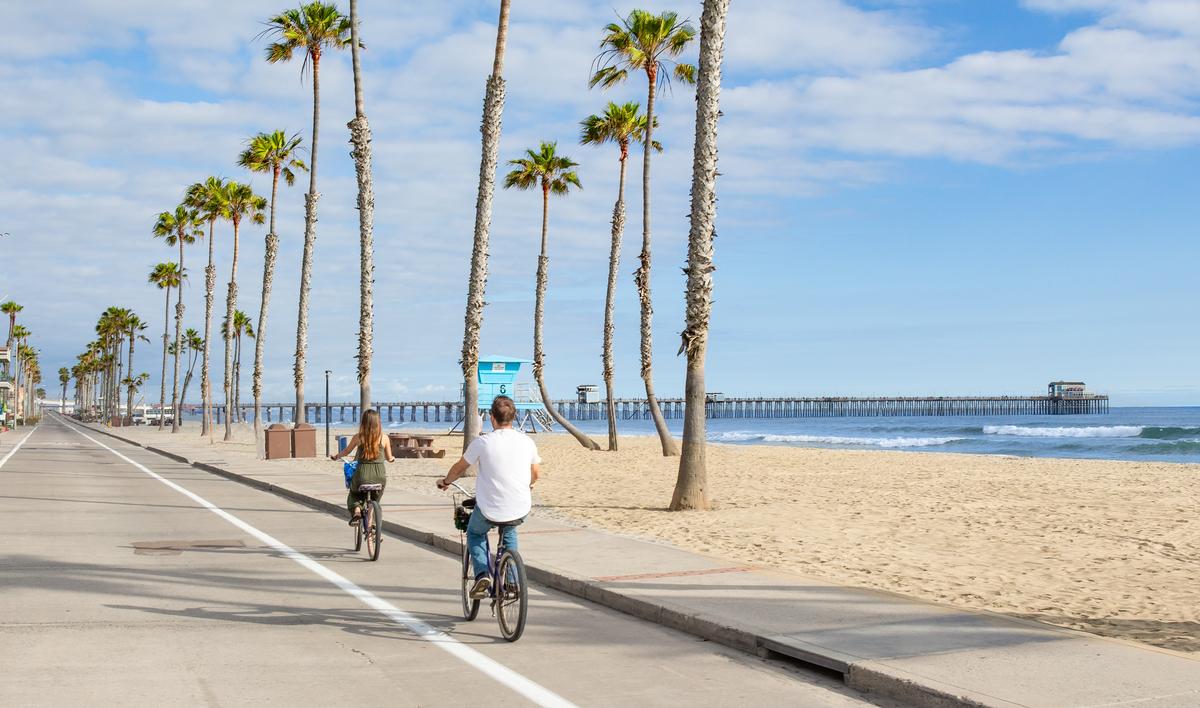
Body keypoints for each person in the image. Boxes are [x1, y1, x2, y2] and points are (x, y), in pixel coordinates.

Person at [438, 396, 540, 598]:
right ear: (514, 417)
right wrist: (529, 484)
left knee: (474, 533)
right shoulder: (527, 442)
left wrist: (446, 481)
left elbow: (459, 468)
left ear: (492, 418)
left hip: (489, 509)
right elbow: (536, 473)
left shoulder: (482, 442)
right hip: (520, 507)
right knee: (509, 532)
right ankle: (511, 583)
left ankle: (482, 574)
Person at [331, 409, 394, 525]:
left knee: (354, 493)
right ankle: (372, 523)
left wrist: (336, 456)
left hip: (361, 474)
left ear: (363, 422)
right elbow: (390, 458)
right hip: (379, 475)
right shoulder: (384, 438)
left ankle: (357, 510)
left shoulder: (358, 437)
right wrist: (392, 459)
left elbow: (346, 451)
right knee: (376, 499)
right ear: (378, 422)